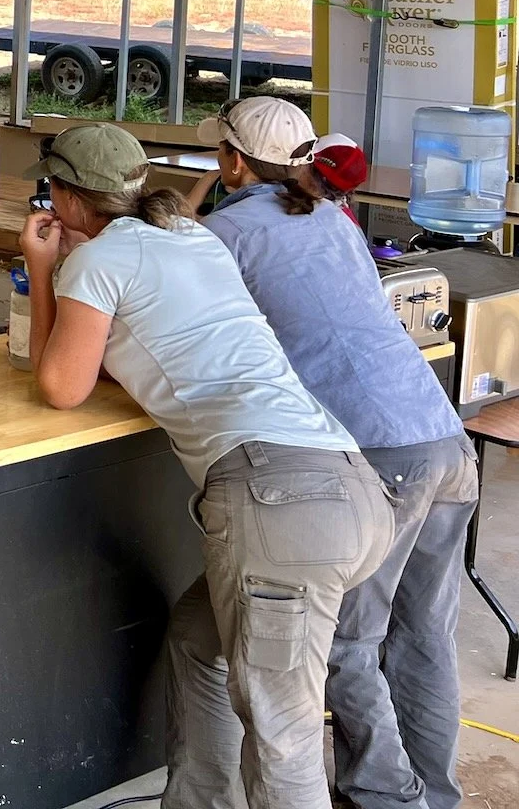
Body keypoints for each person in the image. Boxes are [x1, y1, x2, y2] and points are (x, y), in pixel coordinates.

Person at [17, 123, 393, 809]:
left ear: (67, 198)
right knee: (198, 640)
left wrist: (43, 270)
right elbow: (150, 347)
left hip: (278, 505)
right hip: (348, 482)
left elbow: (60, 386)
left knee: (281, 736)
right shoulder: (190, 235)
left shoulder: (100, 259)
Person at [168, 96, 475, 809]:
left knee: (344, 645)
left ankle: (390, 801)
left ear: (233, 162)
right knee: (424, 638)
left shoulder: (224, 234)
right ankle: (435, 796)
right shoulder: (334, 219)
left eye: (221, 153)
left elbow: (180, 319)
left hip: (377, 456)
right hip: (441, 435)